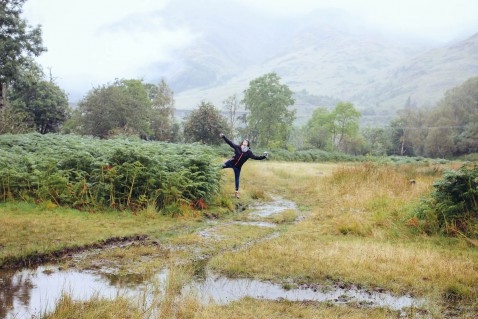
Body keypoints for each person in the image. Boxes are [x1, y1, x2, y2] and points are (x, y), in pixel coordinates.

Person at [219, 133, 268, 198]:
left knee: (237, 179)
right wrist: (223, 136)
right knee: (218, 167)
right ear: (242, 143)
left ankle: (236, 193)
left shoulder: (249, 152)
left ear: (248, 144)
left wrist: (264, 157)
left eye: (246, 142)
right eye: (244, 141)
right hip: (230, 163)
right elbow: (230, 142)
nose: (245, 142)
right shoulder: (238, 147)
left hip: (237, 167)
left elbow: (255, 157)